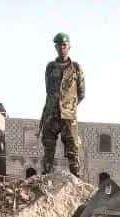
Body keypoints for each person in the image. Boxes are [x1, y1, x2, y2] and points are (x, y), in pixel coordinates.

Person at [39, 32, 85, 177]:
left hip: (68, 115)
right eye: (59, 45)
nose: (62, 48)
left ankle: (76, 178)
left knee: (73, 146)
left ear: (69, 46)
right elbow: (48, 90)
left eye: (64, 45)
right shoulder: (50, 67)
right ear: (56, 47)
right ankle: (45, 176)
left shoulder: (76, 68)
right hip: (51, 113)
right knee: (48, 145)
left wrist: (69, 106)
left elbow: (81, 93)